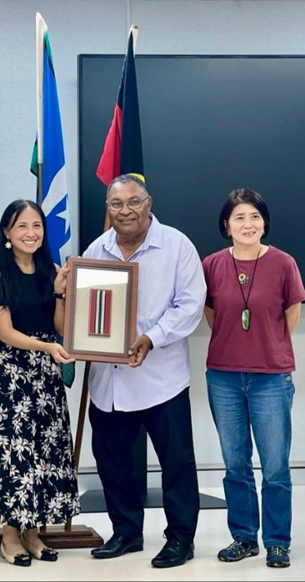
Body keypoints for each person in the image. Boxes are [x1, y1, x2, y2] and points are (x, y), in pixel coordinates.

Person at [83, 173, 206, 568]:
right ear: (108, 209)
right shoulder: (96, 250)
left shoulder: (176, 246)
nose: (126, 211)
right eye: (117, 204)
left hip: (161, 379)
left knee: (176, 463)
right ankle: (126, 532)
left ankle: (180, 538)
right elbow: (85, 312)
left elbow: (190, 305)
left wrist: (151, 337)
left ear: (149, 203)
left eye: (134, 202)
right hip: (110, 381)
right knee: (113, 460)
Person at [0, 199, 80, 567]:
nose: (30, 233)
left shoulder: (50, 270)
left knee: (43, 455)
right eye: (21, 227)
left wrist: (61, 291)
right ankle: (10, 536)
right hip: (8, 379)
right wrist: (47, 346)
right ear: (7, 233)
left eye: (37, 226)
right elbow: (6, 332)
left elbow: (61, 327)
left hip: (45, 379)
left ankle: (34, 534)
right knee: (12, 456)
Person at [202, 188, 305, 569]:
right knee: (235, 464)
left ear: (264, 223)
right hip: (224, 377)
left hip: (271, 378)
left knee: (275, 465)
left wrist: (266, 346)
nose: (248, 224)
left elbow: (290, 314)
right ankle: (244, 537)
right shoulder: (211, 264)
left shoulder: (283, 263)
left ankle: (277, 541)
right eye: (239, 217)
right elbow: (213, 315)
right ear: (226, 225)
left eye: (255, 217)